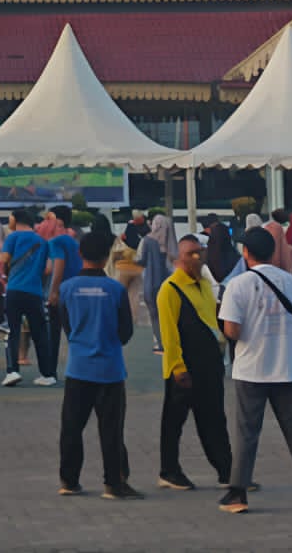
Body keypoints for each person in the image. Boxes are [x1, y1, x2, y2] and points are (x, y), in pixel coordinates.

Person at [218, 227, 292, 515]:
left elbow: (232, 330)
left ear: (246, 253)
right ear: (273, 252)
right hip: (287, 368)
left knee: (247, 433)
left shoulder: (238, 285)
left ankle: (238, 493)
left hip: (251, 370)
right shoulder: (291, 282)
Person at [55, 231, 140, 500]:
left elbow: (67, 327)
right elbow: (126, 331)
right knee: (111, 429)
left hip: (78, 368)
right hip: (110, 369)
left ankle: (69, 480)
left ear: (80, 254)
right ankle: (113, 483)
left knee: (71, 427)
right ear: (106, 258)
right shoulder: (115, 289)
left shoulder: (67, 288)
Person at [155, 235, 233, 491]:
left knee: (214, 419)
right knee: (174, 422)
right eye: (191, 254)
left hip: (209, 364)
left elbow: (212, 321)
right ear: (179, 258)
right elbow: (169, 333)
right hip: (184, 368)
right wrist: (178, 368)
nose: (197, 258)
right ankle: (169, 471)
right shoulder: (170, 289)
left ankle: (226, 470)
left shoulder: (203, 285)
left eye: (200, 252)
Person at [0, 209, 57, 387]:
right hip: (34, 292)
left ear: (15, 220)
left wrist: (4, 269)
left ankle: (12, 371)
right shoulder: (42, 241)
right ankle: (47, 374)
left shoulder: (13, 237)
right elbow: (48, 269)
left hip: (14, 290)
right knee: (40, 333)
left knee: (13, 331)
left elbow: (5, 259)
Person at [44, 205, 81, 368]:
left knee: (53, 333)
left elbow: (58, 265)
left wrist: (53, 291)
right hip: (75, 289)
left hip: (61, 291)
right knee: (73, 332)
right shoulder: (72, 240)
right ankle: (80, 367)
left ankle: (50, 372)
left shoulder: (55, 241)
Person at [137, 214, 177, 351]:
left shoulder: (148, 240)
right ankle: (170, 341)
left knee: (154, 314)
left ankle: (160, 343)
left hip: (152, 280)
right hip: (168, 283)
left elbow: (142, 260)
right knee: (169, 315)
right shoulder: (171, 241)